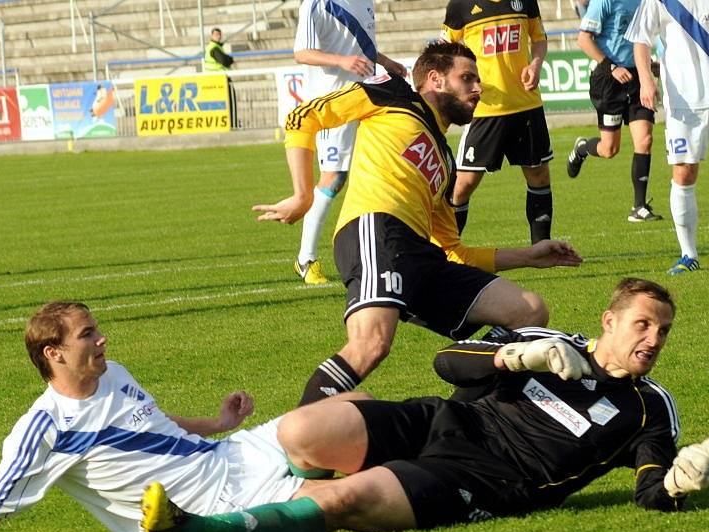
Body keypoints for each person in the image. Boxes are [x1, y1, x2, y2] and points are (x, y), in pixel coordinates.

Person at [139, 278, 709, 532]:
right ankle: (296, 500)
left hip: (490, 478)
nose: (652, 339)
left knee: (345, 502)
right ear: (609, 321)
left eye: (663, 330)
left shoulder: (650, 407)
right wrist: (517, 352)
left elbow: (650, 490)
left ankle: (190, 529)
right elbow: (446, 361)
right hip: (444, 422)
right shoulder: (553, 344)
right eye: (643, 325)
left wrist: (677, 481)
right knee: (301, 428)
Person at [253, 42, 582, 407]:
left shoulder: (445, 161)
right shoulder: (392, 94)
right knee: (372, 344)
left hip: (422, 257)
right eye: (467, 78)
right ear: (436, 79)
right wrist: (302, 194)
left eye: (478, 80)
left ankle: (460, 414)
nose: (478, 88)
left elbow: (453, 251)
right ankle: (297, 449)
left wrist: (529, 256)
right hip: (376, 227)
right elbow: (304, 116)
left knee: (529, 311)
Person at [0, 301, 313, 532]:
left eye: (96, 329)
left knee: (347, 408)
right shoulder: (45, 428)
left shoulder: (114, 372)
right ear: (55, 353)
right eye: (87, 334)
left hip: (228, 454)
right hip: (211, 498)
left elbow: (152, 423)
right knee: (343, 492)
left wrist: (217, 424)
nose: (102, 338)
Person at [626, 0, 709, 274]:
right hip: (685, 98)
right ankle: (688, 255)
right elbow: (640, 40)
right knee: (684, 172)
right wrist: (646, 79)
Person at [291, 0, 406, 285]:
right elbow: (302, 52)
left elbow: (359, 47)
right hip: (333, 103)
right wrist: (341, 61)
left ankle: (387, 248)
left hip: (367, 95)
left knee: (381, 169)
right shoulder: (317, 4)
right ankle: (306, 259)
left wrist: (387, 62)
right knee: (333, 178)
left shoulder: (364, 1)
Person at [440, 0, 555, 243]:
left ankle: (543, 247)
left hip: (526, 104)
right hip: (484, 109)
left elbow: (539, 38)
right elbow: (444, 51)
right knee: (464, 184)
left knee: (539, 175)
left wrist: (536, 64)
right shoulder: (461, 5)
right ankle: (444, 250)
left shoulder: (525, 1)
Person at [568, 0, 663, 223]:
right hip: (609, 79)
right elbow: (583, 39)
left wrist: (650, 66)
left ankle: (639, 207)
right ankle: (582, 149)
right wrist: (611, 66)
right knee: (609, 149)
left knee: (645, 139)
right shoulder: (605, 1)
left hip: (638, 75)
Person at [204, 27, 238, 127]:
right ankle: (232, 123)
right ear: (211, 36)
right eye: (216, 34)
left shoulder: (216, 47)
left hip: (217, 79)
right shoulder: (214, 48)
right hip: (219, 80)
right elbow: (224, 61)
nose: (218, 36)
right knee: (230, 100)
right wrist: (230, 59)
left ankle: (231, 122)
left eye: (219, 34)